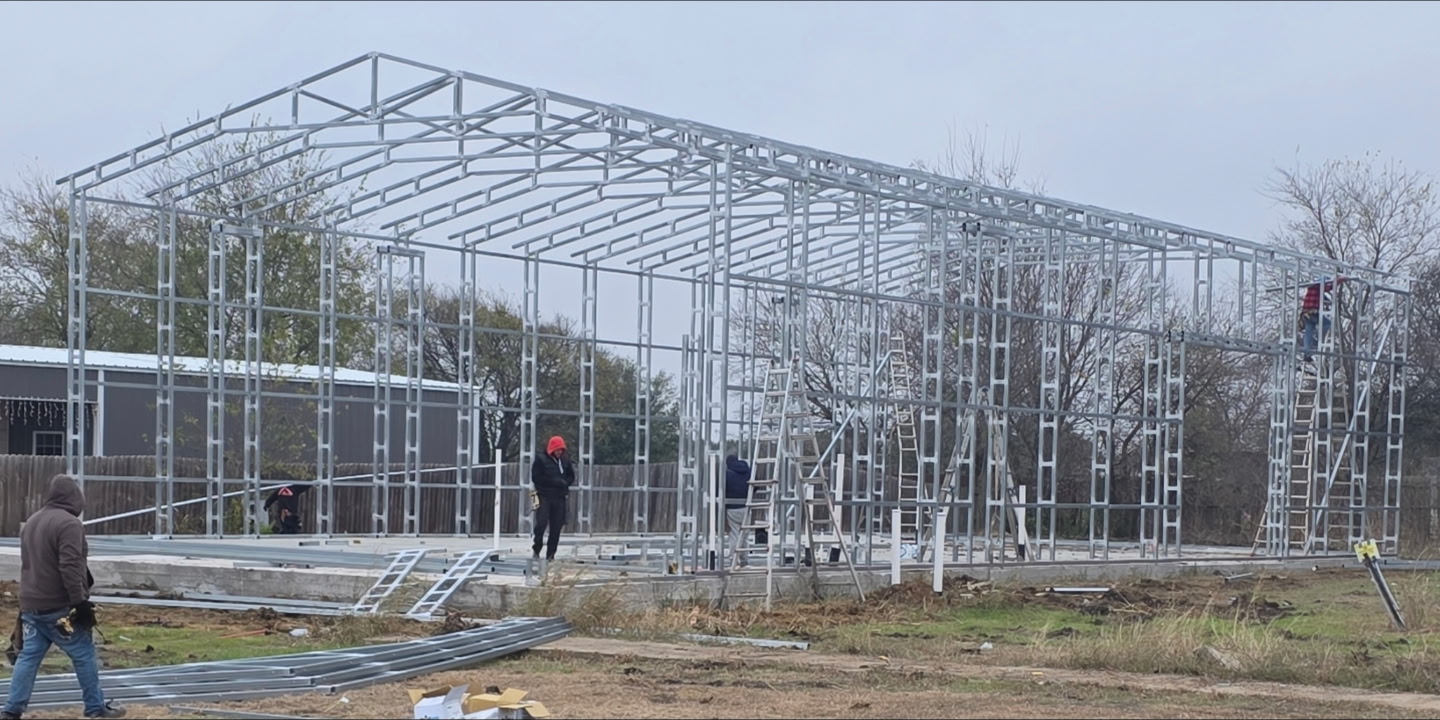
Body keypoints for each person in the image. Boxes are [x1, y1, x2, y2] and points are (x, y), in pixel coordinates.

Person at [3, 475, 125, 719]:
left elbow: (29, 565)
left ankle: (11, 710)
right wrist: (79, 602)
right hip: (59, 607)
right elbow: (70, 565)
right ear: (74, 498)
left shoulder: (31, 523)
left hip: (31, 606)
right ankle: (95, 708)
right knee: (84, 654)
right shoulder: (69, 524)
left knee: (28, 657)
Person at [530, 435, 576, 562]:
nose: (559, 452)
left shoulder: (565, 460)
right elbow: (536, 478)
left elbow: (571, 476)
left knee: (556, 527)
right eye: (557, 450)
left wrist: (565, 483)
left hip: (559, 497)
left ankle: (551, 555)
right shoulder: (540, 459)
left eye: (561, 450)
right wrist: (554, 482)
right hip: (544, 495)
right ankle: (537, 547)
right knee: (541, 523)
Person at [1299, 275, 1347, 362]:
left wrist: (1328, 301)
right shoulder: (1318, 287)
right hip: (1313, 314)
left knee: (1308, 332)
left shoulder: (1312, 289)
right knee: (1327, 324)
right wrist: (1339, 280)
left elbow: (1323, 297)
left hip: (1306, 314)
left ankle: (1307, 353)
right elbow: (1329, 287)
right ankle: (1319, 341)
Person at [724, 454, 752, 568]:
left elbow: (722, 489)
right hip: (746, 505)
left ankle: (733, 559)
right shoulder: (748, 471)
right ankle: (744, 559)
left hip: (732, 507)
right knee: (745, 534)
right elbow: (755, 486)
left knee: (734, 533)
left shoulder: (727, 474)